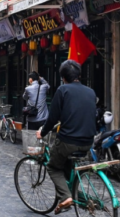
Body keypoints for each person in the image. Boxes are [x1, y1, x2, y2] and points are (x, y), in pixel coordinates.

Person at [37, 60, 96, 214]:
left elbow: (52, 118)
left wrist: (42, 132)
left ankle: (65, 197)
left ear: (63, 77)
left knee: (52, 166)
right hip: (88, 142)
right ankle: (72, 192)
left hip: (68, 141)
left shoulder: (63, 90)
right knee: (66, 163)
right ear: (80, 75)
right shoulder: (91, 91)